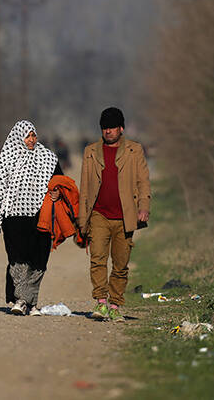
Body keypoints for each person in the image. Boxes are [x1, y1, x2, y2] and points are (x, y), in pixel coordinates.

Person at [0, 120, 62, 316]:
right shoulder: (8, 156)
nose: (31, 140)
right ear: (18, 137)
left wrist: (57, 193)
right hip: (14, 217)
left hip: (40, 216)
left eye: (33, 135)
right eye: (27, 136)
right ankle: (21, 300)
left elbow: (60, 182)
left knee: (39, 259)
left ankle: (32, 302)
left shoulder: (48, 157)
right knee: (18, 258)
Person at [78, 107, 150, 322]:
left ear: (121, 128)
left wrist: (144, 207)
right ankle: (101, 302)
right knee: (98, 259)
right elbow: (85, 187)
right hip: (99, 214)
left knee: (120, 264)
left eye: (111, 127)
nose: (107, 132)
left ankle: (115, 305)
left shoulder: (134, 150)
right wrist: (83, 220)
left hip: (125, 217)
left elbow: (143, 181)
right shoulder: (90, 151)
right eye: (104, 128)